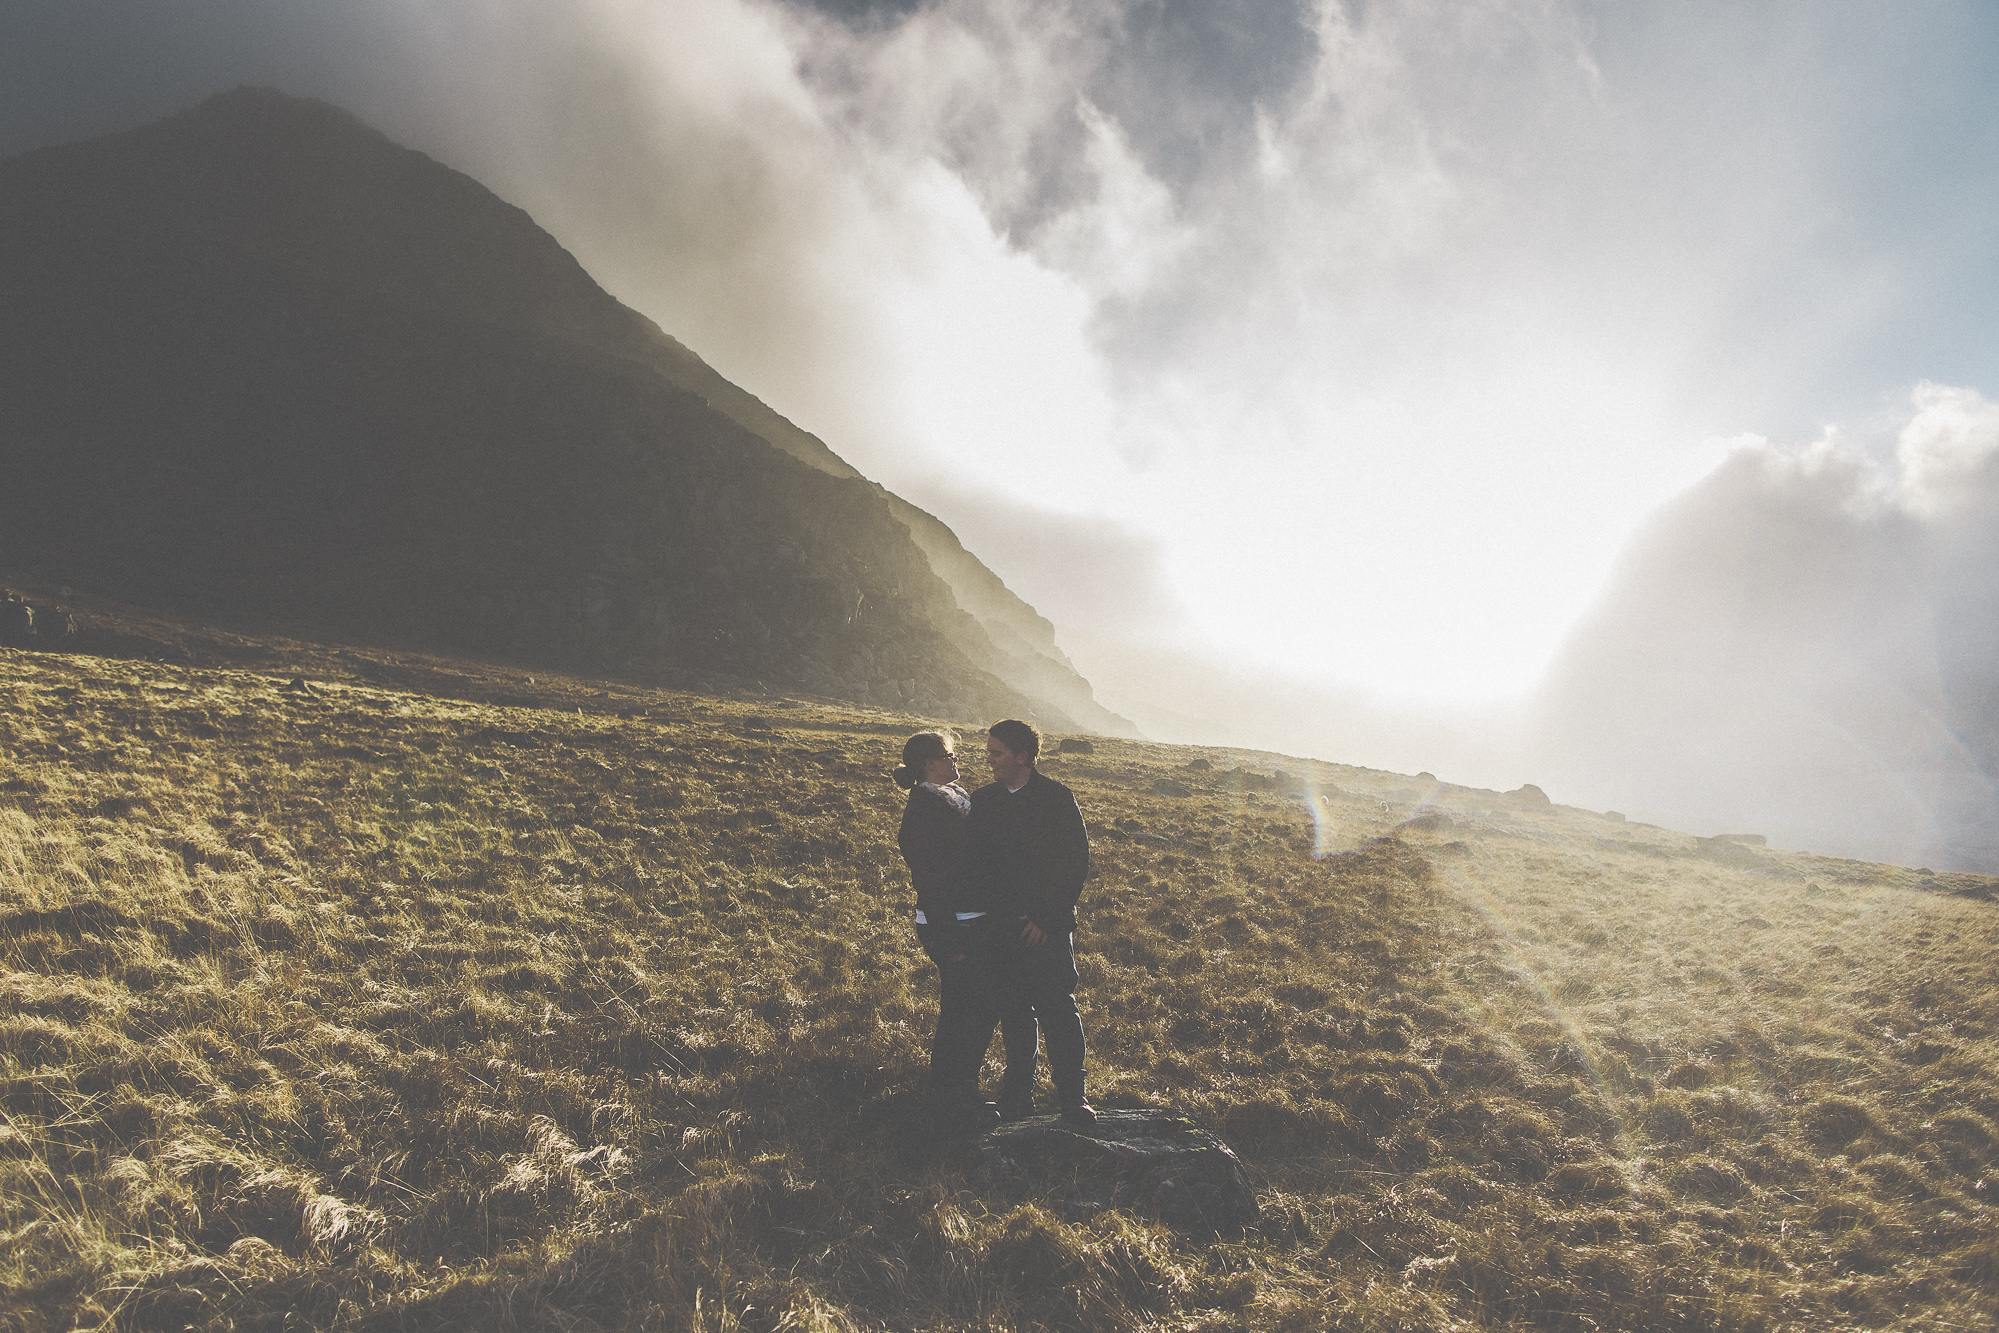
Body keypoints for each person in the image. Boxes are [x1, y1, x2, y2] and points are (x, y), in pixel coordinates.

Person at [962, 719, 1096, 1125]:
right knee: (1014, 1011)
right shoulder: (982, 801)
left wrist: (1046, 918)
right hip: (1000, 929)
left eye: (997, 754)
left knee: (1057, 1009)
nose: (989, 761)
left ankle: (1074, 1096)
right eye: (989, 752)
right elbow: (974, 866)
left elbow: (1074, 864)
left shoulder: (1056, 798)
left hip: (1047, 930)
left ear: (1022, 757)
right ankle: (1018, 1095)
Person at [892, 730, 1000, 1132]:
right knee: (965, 1007)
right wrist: (947, 939)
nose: (957, 761)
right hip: (952, 924)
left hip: (969, 919)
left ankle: (958, 1087)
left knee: (975, 1005)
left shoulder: (953, 798)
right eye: (948, 755)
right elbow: (930, 880)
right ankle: (952, 1094)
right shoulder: (924, 810)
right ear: (928, 764)